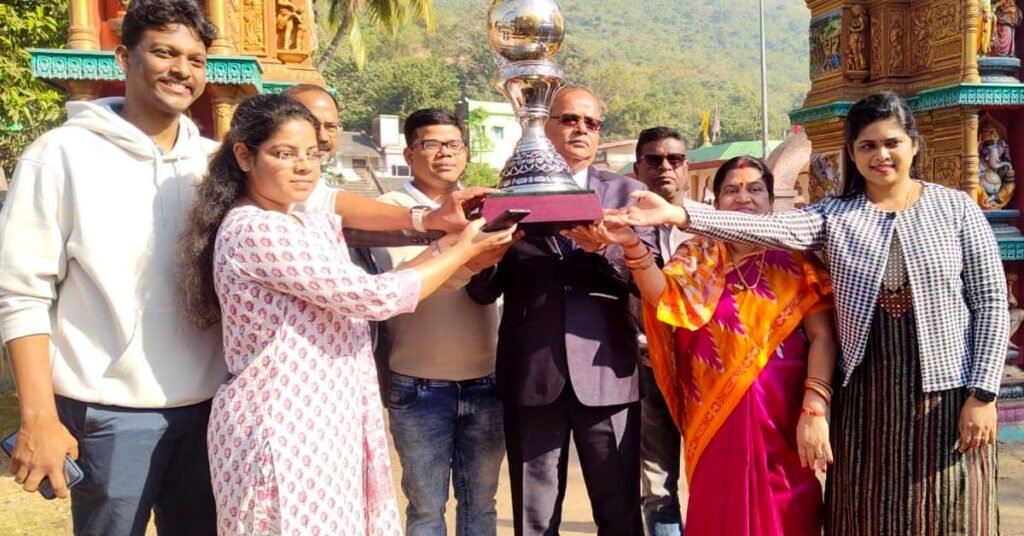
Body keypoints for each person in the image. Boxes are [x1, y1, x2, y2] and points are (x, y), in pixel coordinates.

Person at [0, 1, 477, 534]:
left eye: (195, 59)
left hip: (211, 401)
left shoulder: (213, 160)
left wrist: (425, 218)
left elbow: (324, 200)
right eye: (164, 53)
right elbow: (22, 294)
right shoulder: (62, 155)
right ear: (124, 58)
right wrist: (38, 416)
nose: (181, 70)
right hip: (114, 410)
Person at [610, 92, 1005, 535]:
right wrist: (679, 215)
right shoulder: (834, 216)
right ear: (852, 153)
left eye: (892, 142)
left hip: (944, 389)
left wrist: (983, 393)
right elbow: (769, 227)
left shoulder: (956, 209)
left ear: (913, 145)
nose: (881, 155)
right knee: (866, 512)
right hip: (864, 397)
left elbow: (991, 301)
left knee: (948, 508)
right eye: (867, 145)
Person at [177, 94, 517, 535]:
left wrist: (452, 246)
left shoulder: (308, 222)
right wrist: (463, 250)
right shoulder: (255, 229)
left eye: (312, 153)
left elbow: (382, 283)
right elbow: (374, 297)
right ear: (244, 155)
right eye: (284, 154)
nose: (304, 166)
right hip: (283, 424)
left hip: (329, 418)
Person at [586, 155, 837, 534]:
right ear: (715, 202)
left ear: (771, 200)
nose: (744, 198)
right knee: (718, 510)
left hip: (784, 418)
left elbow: (823, 336)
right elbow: (662, 296)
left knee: (790, 513)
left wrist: (814, 409)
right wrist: (632, 245)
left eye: (755, 189)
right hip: (714, 417)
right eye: (731, 190)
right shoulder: (697, 255)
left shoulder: (796, 260)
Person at [467, 86, 655, 535]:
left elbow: (651, 283)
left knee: (620, 511)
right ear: (541, 125)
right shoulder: (508, 192)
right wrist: (489, 250)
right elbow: (481, 292)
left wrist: (605, 250)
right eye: (570, 119)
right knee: (534, 515)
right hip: (533, 374)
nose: (581, 130)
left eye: (591, 123)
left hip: (608, 374)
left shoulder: (627, 193)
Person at [372, 109, 514, 535]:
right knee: (426, 509)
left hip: (485, 383)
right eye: (431, 144)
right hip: (418, 386)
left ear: (465, 153)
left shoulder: (486, 210)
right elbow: (398, 289)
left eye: (453, 144)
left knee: (481, 507)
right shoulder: (390, 212)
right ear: (409, 153)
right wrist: (466, 257)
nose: (444, 153)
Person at [631, 127, 690, 536]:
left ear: (686, 167)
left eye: (675, 159)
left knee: (716, 472)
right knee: (658, 484)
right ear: (637, 170)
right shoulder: (622, 226)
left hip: (707, 370)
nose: (665, 167)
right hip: (648, 368)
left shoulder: (710, 225)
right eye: (654, 160)